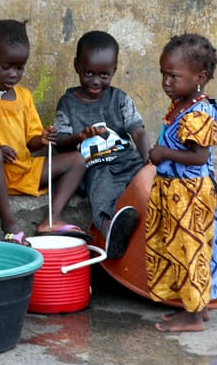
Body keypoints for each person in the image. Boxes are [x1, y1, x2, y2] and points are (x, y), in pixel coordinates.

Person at [0, 19, 86, 245]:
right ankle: (10, 225)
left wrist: (41, 140)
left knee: (77, 160)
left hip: (22, 170)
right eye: (7, 67)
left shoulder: (24, 96)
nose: (14, 74)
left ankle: (52, 218)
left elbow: (30, 143)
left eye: (20, 68)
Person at [146, 33, 217, 332]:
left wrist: (163, 153)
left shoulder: (198, 112)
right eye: (163, 74)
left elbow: (199, 157)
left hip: (189, 194)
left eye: (174, 76)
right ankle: (198, 307)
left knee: (189, 250)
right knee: (184, 248)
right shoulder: (182, 103)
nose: (166, 82)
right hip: (176, 191)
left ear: (199, 77)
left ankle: (192, 317)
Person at [53, 31, 150, 259]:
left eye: (104, 75)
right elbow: (60, 144)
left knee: (151, 183)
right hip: (96, 167)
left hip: (128, 160)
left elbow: (138, 131)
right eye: (89, 73)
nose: (96, 81)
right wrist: (79, 137)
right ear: (76, 67)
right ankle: (109, 231)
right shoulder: (68, 103)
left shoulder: (120, 99)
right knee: (102, 194)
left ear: (114, 71)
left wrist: (148, 161)